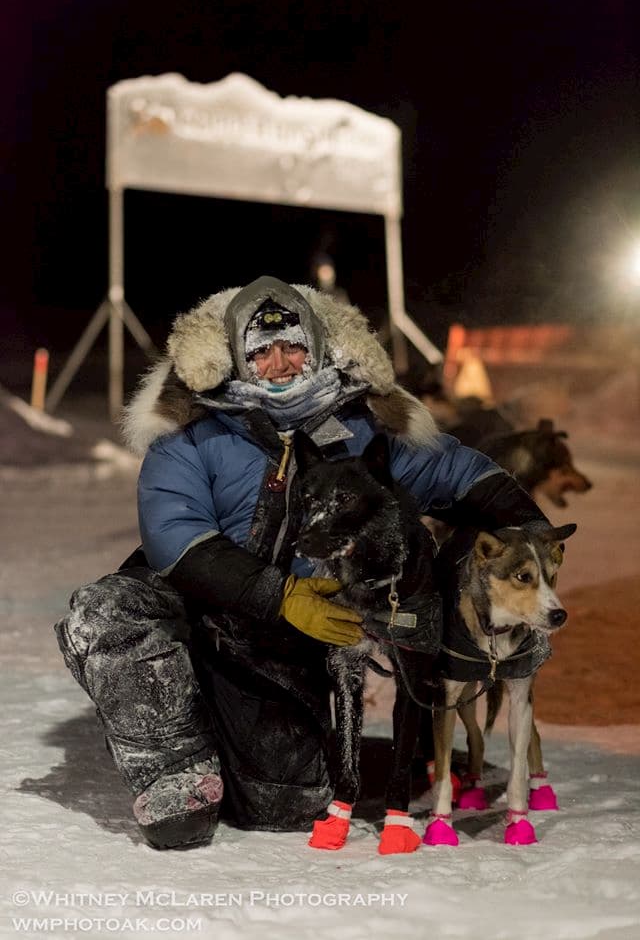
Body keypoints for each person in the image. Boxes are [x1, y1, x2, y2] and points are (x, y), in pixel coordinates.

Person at [55, 275, 548, 850]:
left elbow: (456, 474)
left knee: (283, 804)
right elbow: (174, 537)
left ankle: (309, 746)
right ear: (235, 361)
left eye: (294, 347)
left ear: (318, 349)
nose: (281, 363)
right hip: (202, 601)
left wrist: (529, 530)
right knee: (106, 613)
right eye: (261, 352)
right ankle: (174, 773)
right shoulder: (190, 433)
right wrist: (279, 595)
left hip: (283, 647)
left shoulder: (362, 425)